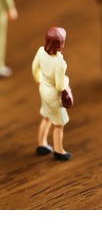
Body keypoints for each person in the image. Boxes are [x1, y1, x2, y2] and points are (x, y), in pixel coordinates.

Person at [32, 27, 73, 161]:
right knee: (58, 124)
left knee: (46, 116)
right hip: (54, 95)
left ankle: (42, 143)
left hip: (43, 89)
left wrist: (39, 80)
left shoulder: (40, 51)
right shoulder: (60, 63)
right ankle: (58, 150)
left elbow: (34, 68)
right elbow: (60, 85)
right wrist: (67, 80)